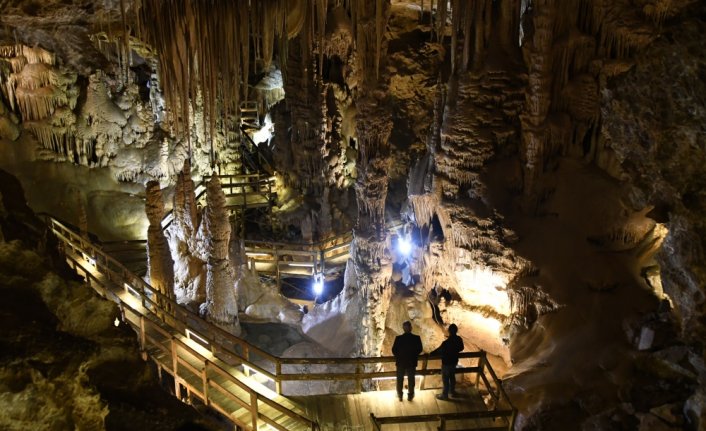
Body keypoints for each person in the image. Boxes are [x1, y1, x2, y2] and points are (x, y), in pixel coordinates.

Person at [431, 323, 464, 400]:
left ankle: (444, 395)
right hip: (454, 361)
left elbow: (439, 350)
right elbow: (461, 348)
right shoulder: (459, 339)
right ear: (456, 331)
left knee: (445, 379)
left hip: (446, 363)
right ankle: (452, 392)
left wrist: (431, 354)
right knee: (452, 377)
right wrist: (455, 351)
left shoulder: (446, 343)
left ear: (449, 331)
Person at [392, 321, 423, 401]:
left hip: (401, 362)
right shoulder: (416, 338)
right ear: (411, 328)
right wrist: (413, 355)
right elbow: (419, 349)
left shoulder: (398, 339)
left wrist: (399, 356)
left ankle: (400, 394)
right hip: (411, 362)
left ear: (403, 328)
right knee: (411, 379)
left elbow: (394, 350)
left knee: (399, 379)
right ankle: (410, 395)